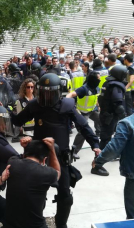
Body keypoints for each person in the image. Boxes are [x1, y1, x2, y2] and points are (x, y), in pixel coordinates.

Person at [11, 73, 100, 228]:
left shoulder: (67, 105)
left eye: (50, 93)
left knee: (65, 195)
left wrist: (95, 144)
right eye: (44, 92)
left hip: (60, 156)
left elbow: (83, 126)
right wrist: (6, 112)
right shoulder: (34, 105)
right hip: (38, 155)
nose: (47, 96)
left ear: (58, 92)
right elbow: (18, 120)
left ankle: (61, 224)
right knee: (35, 191)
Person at [6, 138, 60, 228]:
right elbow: (57, 172)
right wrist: (52, 150)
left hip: (11, 223)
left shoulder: (12, 163)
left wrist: (26, 147)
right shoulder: (46, 173)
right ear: (44, 160)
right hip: (35, 225)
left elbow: (24, 161)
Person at [93, 65, 127, 175]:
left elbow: (101, 98)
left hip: (105, 113)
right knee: (105, 138)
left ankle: (110, 155)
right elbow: (118, 105)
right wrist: (125, 118)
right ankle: (97, 164)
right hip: (110, 115)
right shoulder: (116, 86)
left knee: (107, 136)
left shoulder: (107, 83)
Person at [67, 72, 101, 159]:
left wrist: (99, 106)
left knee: (103, 120)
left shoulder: (96, 88)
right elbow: (72, 94)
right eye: (98, 78)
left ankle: (102, 145)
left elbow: (95, 98)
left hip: (92, 111)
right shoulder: (84, 88)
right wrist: (66, 102)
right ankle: (74, 151)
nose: (100, 79)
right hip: (82, 112)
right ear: (93, 79)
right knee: (83, 131)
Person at [12, 78, 36, 142]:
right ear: (25, 88)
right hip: (27, 130)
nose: (30, 89)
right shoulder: (20, 101)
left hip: (37, 128)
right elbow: (19, 116)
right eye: (28, 87)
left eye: (32, 87)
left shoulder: (37, 100)